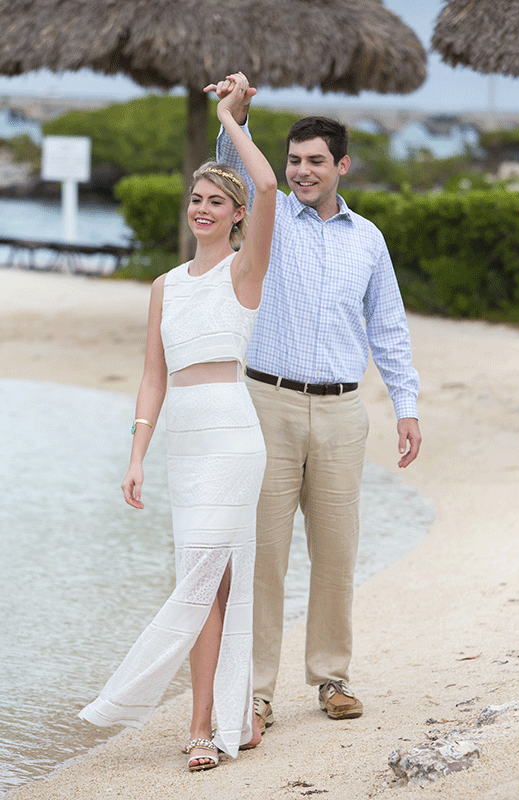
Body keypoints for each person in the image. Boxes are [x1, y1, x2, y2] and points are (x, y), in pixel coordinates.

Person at [78, 73, 277, 772]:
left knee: (203, 579)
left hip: (231, 433)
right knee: (207, 580)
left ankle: (202, 727)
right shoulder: (164, 286)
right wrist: (136, 455)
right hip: (183, 445)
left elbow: (272, 189)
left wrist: (231, 116)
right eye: (196, 198)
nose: (201, 208)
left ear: (236, 214)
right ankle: (234, 715)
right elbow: (152, 378)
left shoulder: (245, 273)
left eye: (216, 202)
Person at [214, 74, 421, 733]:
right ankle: (257, 691)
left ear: (342, 167)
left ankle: (332, 677)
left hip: (341, 413)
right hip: (266, 403)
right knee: (263, 553)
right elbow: (228, 174)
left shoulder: (369, 240)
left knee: (336, 551)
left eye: (314, 162)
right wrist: (234, 122)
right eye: (293, 161)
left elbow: (388, 328)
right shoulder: (264, 213)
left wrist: (407, 405)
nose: (301, 172)